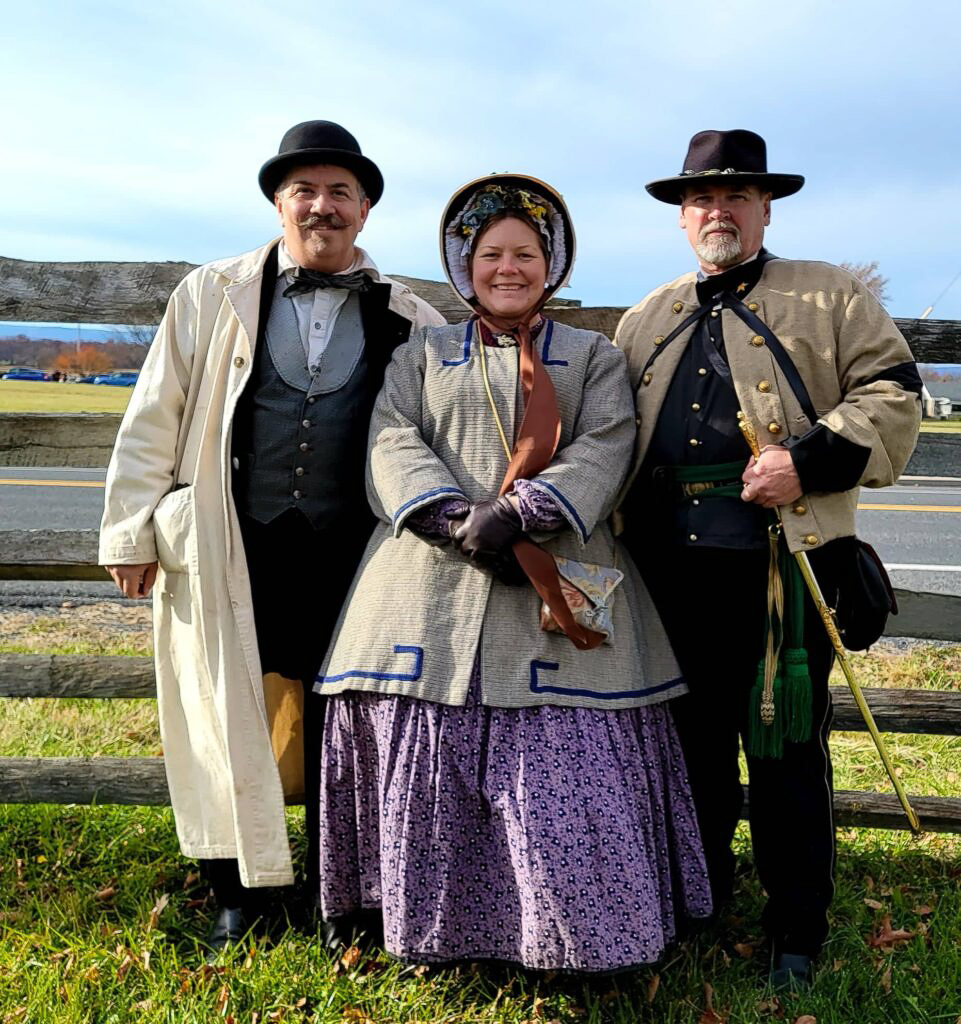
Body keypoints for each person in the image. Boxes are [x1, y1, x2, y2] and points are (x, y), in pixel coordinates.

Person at [312, 173, 712, 971]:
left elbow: (608, 442)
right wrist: (454, 518)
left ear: (550, 263)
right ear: (464, 264)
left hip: (557, 574)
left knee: (566, 761)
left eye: (525, 254)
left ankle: (582, 938)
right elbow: (391, 438)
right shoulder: (421, 355)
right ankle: (433, 930)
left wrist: (524, 513)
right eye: (491, 253)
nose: (507, 268)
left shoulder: (593, 357)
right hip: (427, 581)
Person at [98, 120, 445, 953]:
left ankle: (340, 892)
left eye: (340, 193)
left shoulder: (413, 318)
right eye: (304, 191)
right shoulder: (211, 293)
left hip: (353, 553)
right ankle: (237, 893)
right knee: (223, 713)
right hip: (231, 538)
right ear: (279, 204)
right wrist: (130, 531)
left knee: (345, 717)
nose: (322, 207)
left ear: (364, 211)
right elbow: (154, 413)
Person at [612, 129, 922, 989]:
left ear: (764, 209)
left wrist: (806, 462)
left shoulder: (829, 295)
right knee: (689, 749)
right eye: (701, 199)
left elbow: (894, 391)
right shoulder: (646, 316)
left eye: (735, 196)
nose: (717, 211)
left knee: (785, 750)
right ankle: (697, 901)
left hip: (783, 568)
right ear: (681, 217)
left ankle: (796, 925)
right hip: (665, 577)